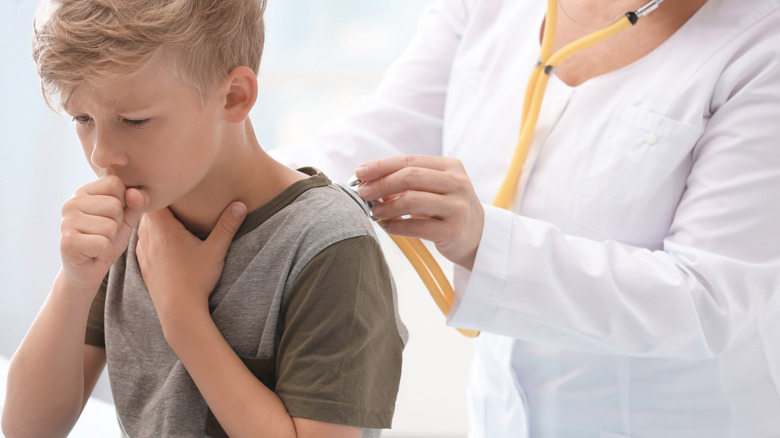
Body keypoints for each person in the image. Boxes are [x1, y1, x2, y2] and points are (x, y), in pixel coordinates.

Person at [271, 0, 780, 436]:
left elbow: (708, 296)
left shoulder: (761, 42)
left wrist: (483, 240)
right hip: (502, 416)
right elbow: (379, 136)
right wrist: (237, 176)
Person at [1, 1, 407, 437]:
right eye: (82, 118)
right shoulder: (129, 220)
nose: (101, 155)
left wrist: (183, 317)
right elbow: (26, 429)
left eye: (134, 120)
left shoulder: (329, 245)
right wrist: (75, 281)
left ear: (234, 97)